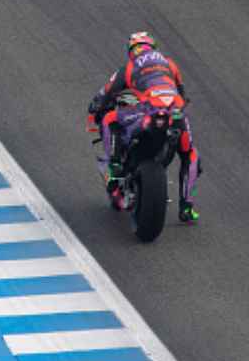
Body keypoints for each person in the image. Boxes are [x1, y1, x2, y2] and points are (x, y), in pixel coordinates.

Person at [86, 30, 202, 222]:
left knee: (109, 119)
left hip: (149, 112)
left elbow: (106, 93)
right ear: (153, 47)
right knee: (190, 153)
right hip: (175, 113)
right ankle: (187, 206)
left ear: (132, 50)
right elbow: (182, 93)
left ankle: (114, 165)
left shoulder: (129, 68)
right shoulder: (170, 63)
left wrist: (95, 109)